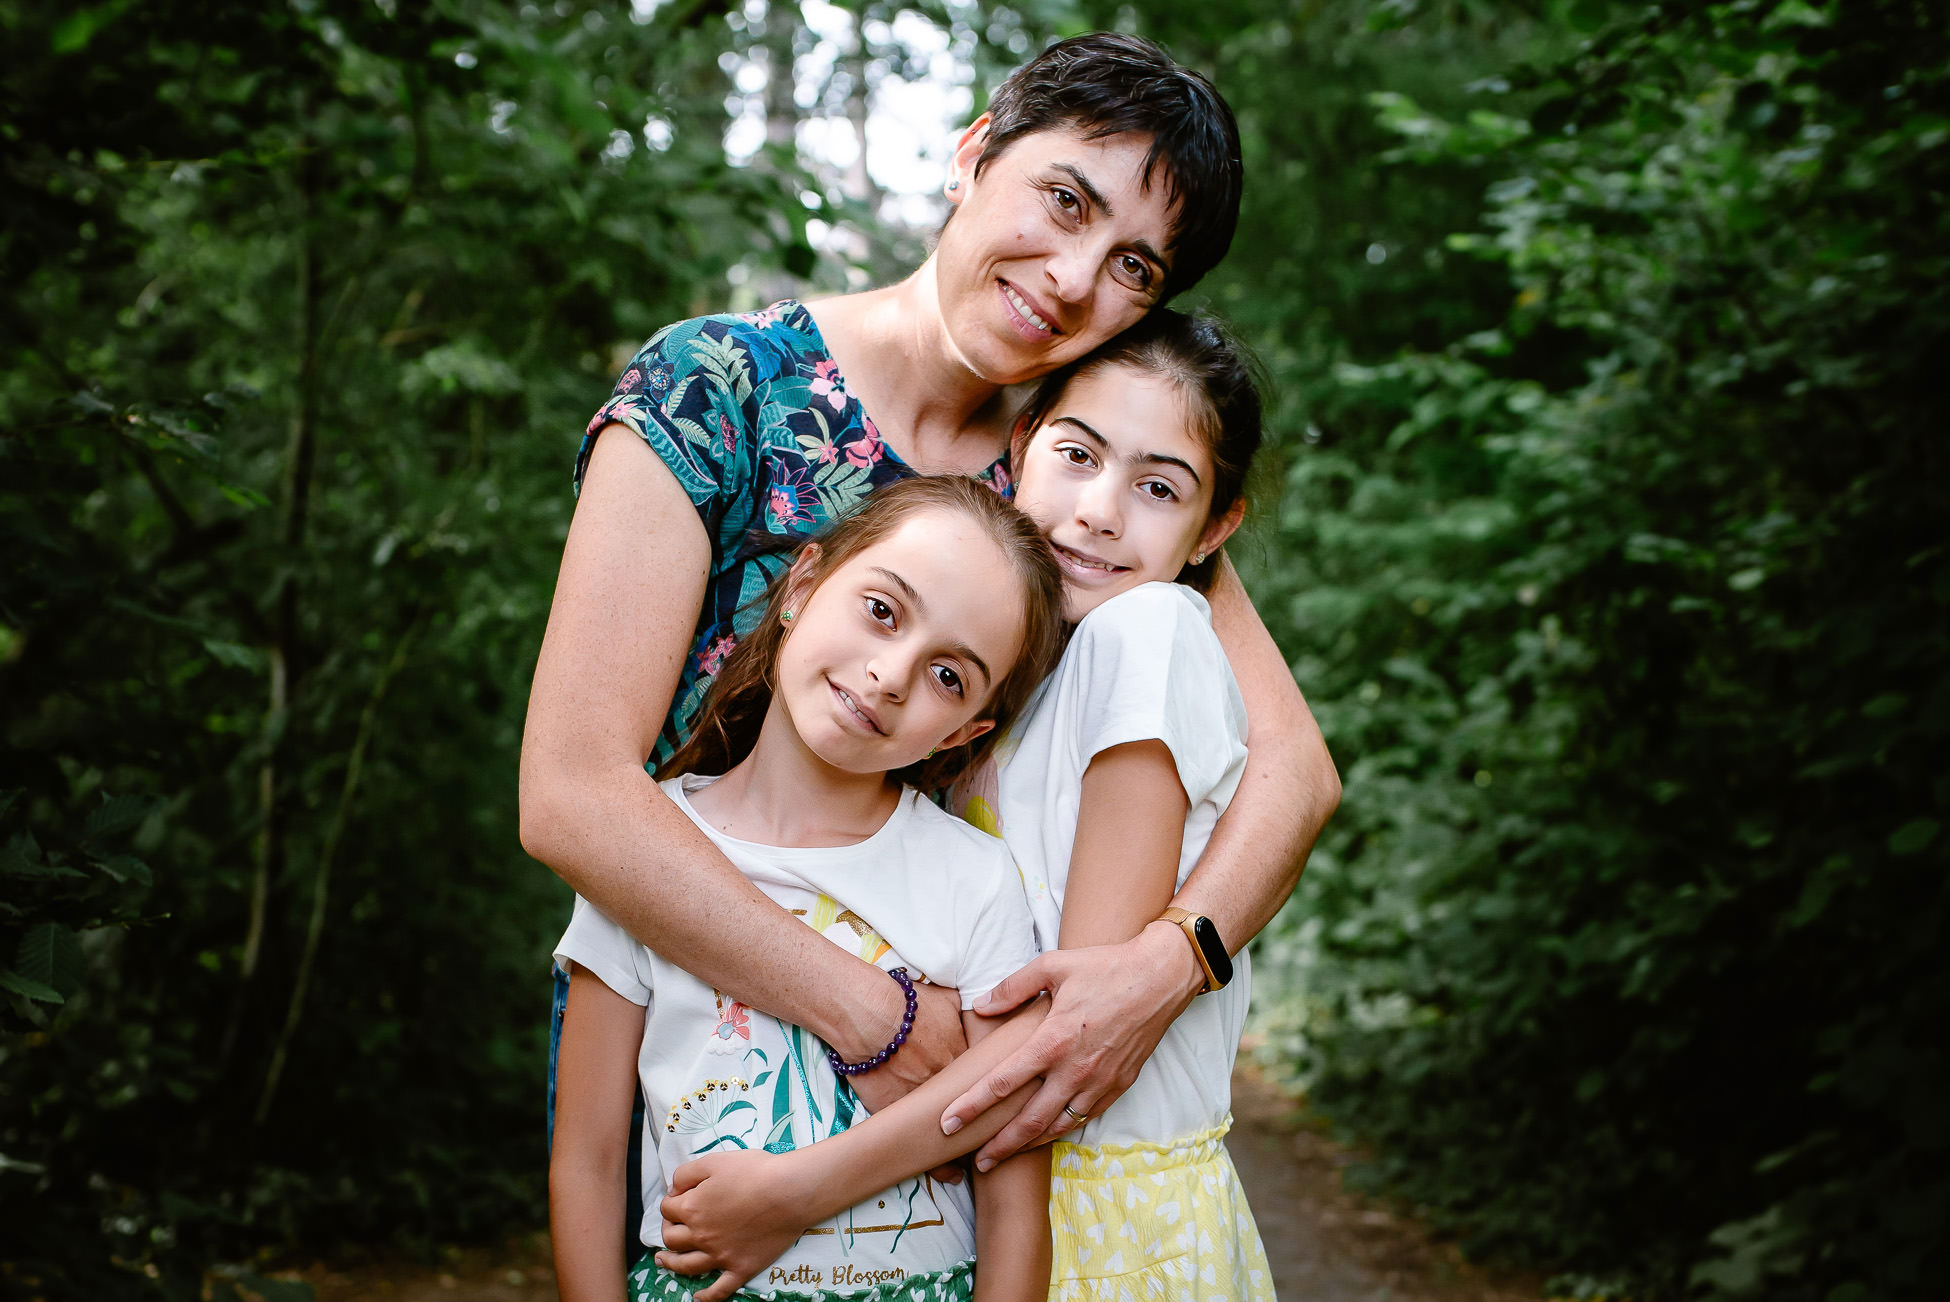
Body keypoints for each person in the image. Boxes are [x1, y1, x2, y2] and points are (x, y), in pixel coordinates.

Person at [520, 31, 1340, 1225]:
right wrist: (874, 1016)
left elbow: (1295, 773)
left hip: (956, 1141)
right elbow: (572, 789)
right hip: (698, 1075)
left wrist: (1154, 973)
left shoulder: (1078, 485)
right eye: (1063, 199)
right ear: (973, 156)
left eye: (1133, 268)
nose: (1071, 277)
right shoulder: (720, 390)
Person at [653, 311, 1277, 1300]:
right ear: (1021, 445)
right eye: (1078, 455)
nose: (1102, 512)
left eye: (1158, 488)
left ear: (1216, 530)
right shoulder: (1006, 689)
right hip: (997, 1206)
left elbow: (1060, 1038)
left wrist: (793, 1193)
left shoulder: (1144, 636)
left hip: (1103, 1223)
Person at [550, 477, 1069, 1302]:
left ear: (967, 731)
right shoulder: (642, 854)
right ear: (802, 584)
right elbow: (587, 1161)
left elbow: (1015, 1209)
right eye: (883, 610)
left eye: (949, 676)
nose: (892, 674)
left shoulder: (973, 878)